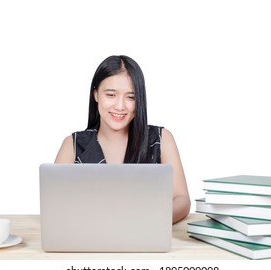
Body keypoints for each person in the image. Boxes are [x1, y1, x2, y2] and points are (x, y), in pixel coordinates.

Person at [55, 55, 190, 224]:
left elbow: (182, 199)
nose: (120, 106)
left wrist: (152, 219)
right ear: (96, 94)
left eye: (131, 97)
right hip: (89, 241)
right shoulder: (73, 145)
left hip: (147, 239)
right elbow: (55, 206)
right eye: (111, 95)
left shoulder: (161, 140)